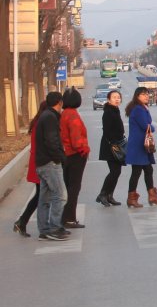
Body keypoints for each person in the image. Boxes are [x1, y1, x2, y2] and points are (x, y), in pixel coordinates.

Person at [35, 91, 70, 241]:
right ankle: (55, 228)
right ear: (60, 102)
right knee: (61, 196)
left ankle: (44, 229)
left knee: (45, 199)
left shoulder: (45, 116)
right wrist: (60, 157)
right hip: (50, 163)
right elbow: (51, 141)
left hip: (42, 162)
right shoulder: (50, 117)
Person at [124, 86, 157, 207]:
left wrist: (149, 126)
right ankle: (132, 198)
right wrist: (152, 128)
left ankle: (151, 196)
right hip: (138, 146)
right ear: (137, 96)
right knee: (137, 172)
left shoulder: (140, 108)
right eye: (143, 94)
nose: (146, 96)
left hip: (141, 145)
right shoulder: (138, 109)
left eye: (147, 94)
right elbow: (145, 125)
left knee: (147, 170)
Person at [12, 102, 46, 237]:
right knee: (40, 196)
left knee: (39, 195)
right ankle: (22, 221)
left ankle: (22, 221)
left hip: (37, 162)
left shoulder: (38, 121)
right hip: (40, 163)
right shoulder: (42, 123)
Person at [59, 87, 89, 229]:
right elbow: (76, 138)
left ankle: (66, 216)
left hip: (67, 155)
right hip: (76, 155)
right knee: (74, 188)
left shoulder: (64, 113)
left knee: (70, 186)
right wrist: (83, 150)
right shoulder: (72, 115)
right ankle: (69, 217)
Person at [96, 89, 125, 206]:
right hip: (111, 146)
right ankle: (103, 194)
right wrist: (114, 143)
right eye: (114, 97)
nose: (117, 99)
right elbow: (107, 130)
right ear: (109, 100)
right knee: (114, 171)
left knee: (117, 172)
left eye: (118, 97)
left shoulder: (115, 110)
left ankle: (109, 195)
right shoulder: (108, 112)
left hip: (116, 144)